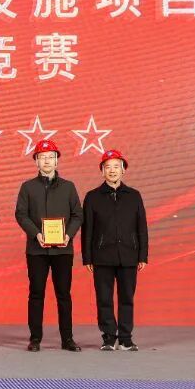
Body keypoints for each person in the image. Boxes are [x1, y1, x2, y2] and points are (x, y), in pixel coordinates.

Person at [15, 139, 83, 352]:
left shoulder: (69, 187)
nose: (47, 161)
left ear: (57, 161)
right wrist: (36, 234)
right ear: (36, 161)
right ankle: (35, 339)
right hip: (36, 250)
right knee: (36, 293)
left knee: (64, 294)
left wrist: (68, 235)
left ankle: (67, 339)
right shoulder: (27, 187)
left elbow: (77, 215)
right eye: (42, 157)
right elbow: (21, 214)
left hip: (63, 249)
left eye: (50, 157)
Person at [82, 149, 148, 352]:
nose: (112, 171)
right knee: (104, 299)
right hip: (102, 256)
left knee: (127, 298)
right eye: (108, 167)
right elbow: (87, 230)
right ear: (102, 171)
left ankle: (126, 339)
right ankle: (109, 337)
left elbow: (142, 228)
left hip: (129, 255)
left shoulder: (134, 196)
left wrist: (142, 255)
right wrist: (87, 258)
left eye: (116, 167)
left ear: (123, 170)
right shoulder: (92, 197)